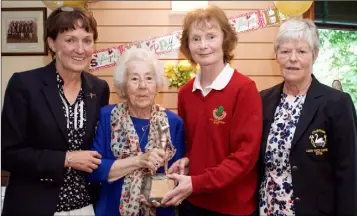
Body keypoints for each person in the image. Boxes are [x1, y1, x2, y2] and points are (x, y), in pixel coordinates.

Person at [1, 6, 110, 216]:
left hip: (86, 207)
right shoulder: (24, 85)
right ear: (52, 43)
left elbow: (100, 147)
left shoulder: (99, 88)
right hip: (34, 206)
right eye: (70, 40)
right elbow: (7, 154)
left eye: (87, 40)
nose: (80, 49)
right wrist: (66, 159)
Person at [161, 5, 263, 216]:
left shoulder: (244, 89)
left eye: (211, 37)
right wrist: (187, 161)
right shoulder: (186, 93)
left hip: (232, 207)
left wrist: (197, 182)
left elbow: (245, 158)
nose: (203, 45)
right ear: (187, 45)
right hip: (193, 202)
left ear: (224, 40)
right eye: (195, 38)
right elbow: (195, 144)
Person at [258, 18, 357, 216]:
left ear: (315, 55)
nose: (292, 58)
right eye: (285, 51)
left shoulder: (337, 103)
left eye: (301, 51)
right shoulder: (263, 100)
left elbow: (349, 173)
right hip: (267, 209)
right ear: (276, 56)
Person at [87, 47, 185, 216]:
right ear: (123, 85)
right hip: (112, 210)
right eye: (134, 79)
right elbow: (95, 169)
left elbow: (177, 174)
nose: (142, 86)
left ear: (157, 85)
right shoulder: (107, 116)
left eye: (149, 78)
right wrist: (140, 160)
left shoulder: (173, 122)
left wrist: (163, 197)